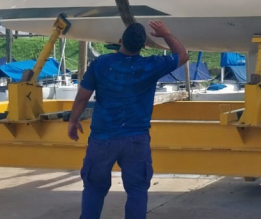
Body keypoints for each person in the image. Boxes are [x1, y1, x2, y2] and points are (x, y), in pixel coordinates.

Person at [68, 20, 189, 219]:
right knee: (137, 191)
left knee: (94, 188)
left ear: (120, 41)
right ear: (143, 46)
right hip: (136, 140)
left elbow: (82, 97)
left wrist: (73, 121)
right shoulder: (151, 65)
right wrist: (166, 33)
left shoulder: (101, 64)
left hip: (102, 139)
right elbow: (182, 56)